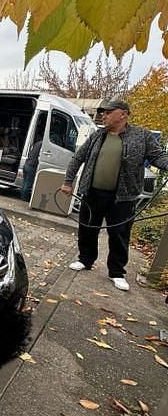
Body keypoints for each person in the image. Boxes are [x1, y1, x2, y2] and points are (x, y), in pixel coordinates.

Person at [60, 99, 168, 292]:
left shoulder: (141, 136)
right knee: (87, 228)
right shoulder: (97, 135)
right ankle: (85, 260)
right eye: (103, 112)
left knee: (119, 235)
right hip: (92, 193)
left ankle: (117, 273)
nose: (104, 115)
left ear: (123, 114)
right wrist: (68, 182)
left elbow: (158, 157)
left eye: (109, 112)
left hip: (123, 198)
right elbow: (78, 157)